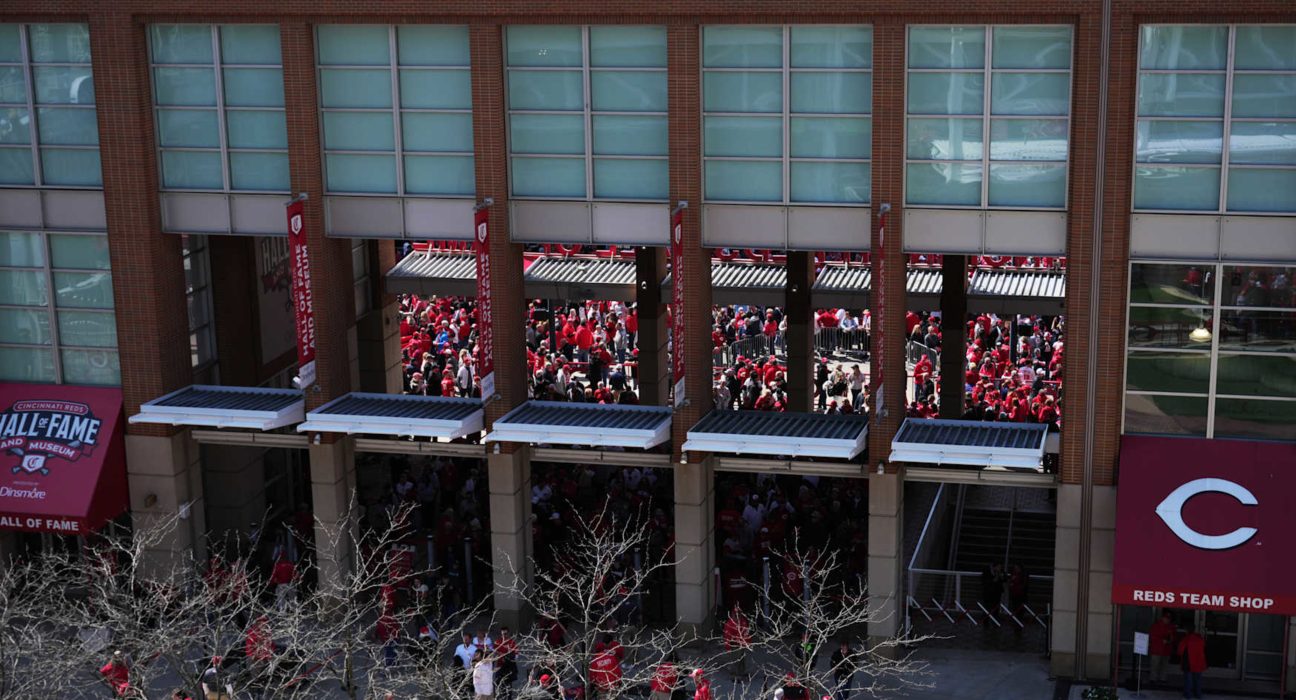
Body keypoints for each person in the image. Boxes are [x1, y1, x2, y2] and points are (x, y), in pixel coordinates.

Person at [1177, 625, 1206, 699]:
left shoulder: (1186, 639)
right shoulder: (1200, 639)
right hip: (1198, 662)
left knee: (1188, 680)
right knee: (1197, 680)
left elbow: (1180, 651)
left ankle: (1188, 694)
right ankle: (1198, 694)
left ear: (1187, 631)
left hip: (1188, 663)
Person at [723, 603, 752, 676]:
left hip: (741, 645)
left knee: (742, 660)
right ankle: (734, 675)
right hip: (734, 645)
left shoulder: (743, 622)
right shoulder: (730, 624)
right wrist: (728, 647)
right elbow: (727, 636)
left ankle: (741, 673)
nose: (737, 616)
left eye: (739, 614)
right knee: (735, 661)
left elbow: (746, 633)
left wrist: (748, 643)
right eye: (736, 614)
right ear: (733, 614)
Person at [1148, 612, 1176, 684]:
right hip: (1156, 649)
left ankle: (1162, 678)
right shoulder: (1156, 626)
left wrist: (1170, 639)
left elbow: (1173, 637)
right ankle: (1153, 679)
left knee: (1164, 665)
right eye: (1166, 618)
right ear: (1162, 618)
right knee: (1155, 665)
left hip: (1166, 650)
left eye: (1168, 619)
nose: (1167, 620)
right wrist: (1161, 640)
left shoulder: (1171, 626)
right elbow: (1152, 637)